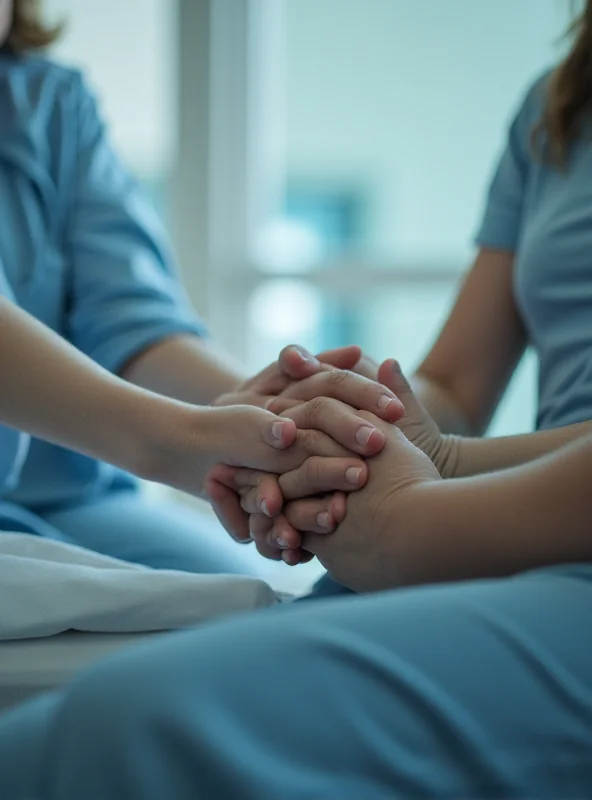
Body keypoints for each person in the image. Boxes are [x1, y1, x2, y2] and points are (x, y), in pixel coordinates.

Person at [0, 0, 403, 574]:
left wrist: (281, 418)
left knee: (247, 602)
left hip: (73, 502)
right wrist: (188, 442)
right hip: (114, 465)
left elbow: (134, 325)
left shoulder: (50, 103)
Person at [208, 0, 592, 581]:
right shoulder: (558, 106)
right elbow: (457, 385)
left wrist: (438, 467)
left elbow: (444, 452)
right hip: (500, 527)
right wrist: (352, 414)